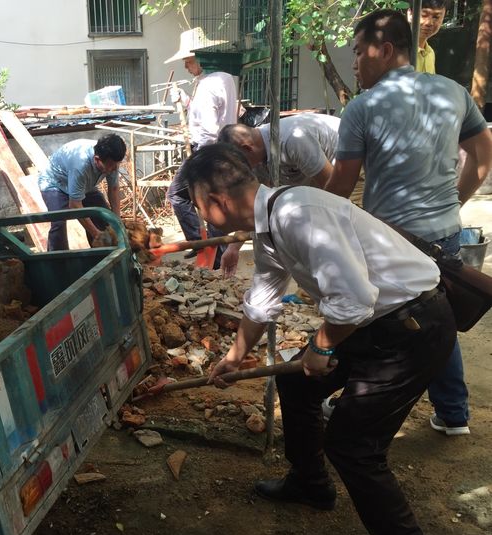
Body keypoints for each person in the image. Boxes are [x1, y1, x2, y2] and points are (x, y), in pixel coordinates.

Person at [188, 143, 455, 535]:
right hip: (372, 326)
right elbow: (262, 300)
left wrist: (319, 346)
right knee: (294, 385)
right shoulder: (271, 224)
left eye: (198, 205)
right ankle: (310, 484)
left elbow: (354, 300)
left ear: (216, 201)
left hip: (411, 329)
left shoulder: (298, 214)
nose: (201, 216)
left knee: (354, 448)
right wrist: (235, 358)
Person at [325, 9, 492, 436]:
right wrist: (452, 202)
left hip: (391, 238)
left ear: (386, 50)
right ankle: (454, 414)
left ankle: (349, 398)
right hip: (445, 234)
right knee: (441, 318)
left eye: (360, 53)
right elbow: (483, 157)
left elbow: (341, 185)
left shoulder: (362, 108)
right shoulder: (453, 92)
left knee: (369, 314)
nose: (355, 63)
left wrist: (317, 224)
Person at [217, 114, 340, 276]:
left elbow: (335, 190)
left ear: (247, 148)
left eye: (240, 163)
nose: (242, 169)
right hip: (314, 175)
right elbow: (258, 206)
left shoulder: (293, 139)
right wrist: (233, 247)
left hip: (346, 164)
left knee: (334, 232)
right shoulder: (257, 158)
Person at [165, 27, 238, 261]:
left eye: (188, 61)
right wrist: (185, 100)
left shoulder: (206, 86)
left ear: (199, 57)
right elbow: (210, 114)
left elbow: (207, 127)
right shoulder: (223, 78)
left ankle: (203, 244)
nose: (187, 66)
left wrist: (200, 160)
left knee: (177, 194)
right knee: (214, 200)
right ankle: (214, 252)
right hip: (224, 149)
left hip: (207, 150)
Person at [38, 134, 125, 251]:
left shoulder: (111, 161)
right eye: (111, 166)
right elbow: (75, 205)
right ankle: (56, 263)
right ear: (97, 160)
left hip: (82, 185)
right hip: (55, 183)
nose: (114, 169)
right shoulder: (80, 165)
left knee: (104, 218)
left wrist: (117, 222)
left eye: (116, 164)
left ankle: (101, 258)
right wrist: (96, 234)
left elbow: (113, 189)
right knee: (59, 222)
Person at [408, 0, 448, 74]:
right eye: (424, 15)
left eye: (436, 17)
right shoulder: (400, 52)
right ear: (410, 14)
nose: (429, 23)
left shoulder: (430, 52)